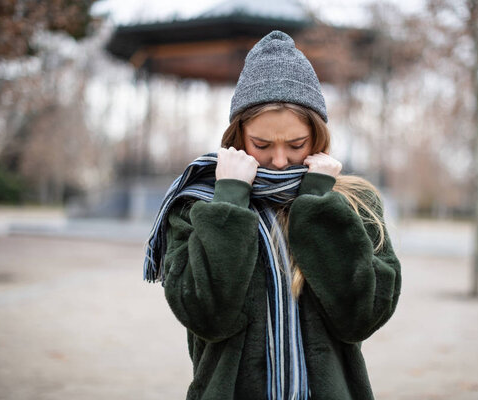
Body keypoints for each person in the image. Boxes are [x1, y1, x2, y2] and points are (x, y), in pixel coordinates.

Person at [144, 30, 401, 400]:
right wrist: (230, 203)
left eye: (296, 144)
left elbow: (362, 317)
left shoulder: (354, 203)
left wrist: (317, 207)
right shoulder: (199, 205)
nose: (280, 160)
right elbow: (206, 317)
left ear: (316, 137)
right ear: (237, 137)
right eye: (261, 145)